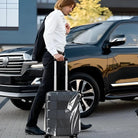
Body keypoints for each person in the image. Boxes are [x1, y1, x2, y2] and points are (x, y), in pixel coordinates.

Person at [25, 0, 92, 135]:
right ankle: (30, 125)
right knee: (44, 90)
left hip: (59, 57)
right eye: (70, 7)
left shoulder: (60, 18)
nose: (71, 10)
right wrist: (54, 53)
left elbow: (56, 38)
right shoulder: (55, 15)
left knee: (66, 90)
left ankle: (74, 121)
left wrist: (66, 33)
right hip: (52, 57)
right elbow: (47, 35)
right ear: (63, 5)